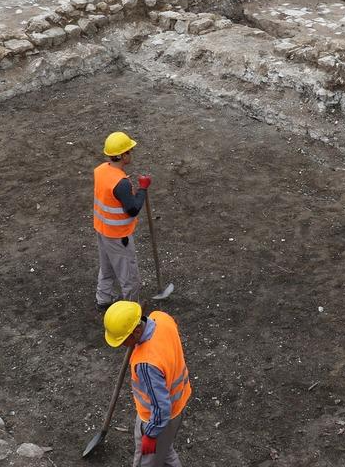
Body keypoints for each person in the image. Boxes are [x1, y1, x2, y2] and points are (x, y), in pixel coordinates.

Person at [103, 301, 192, 467]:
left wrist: (151, 435)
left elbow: (161, 406)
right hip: (178, 405)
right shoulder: (161, 318)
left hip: (158, 420)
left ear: (136, 331)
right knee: (165, 452)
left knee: (146, 462)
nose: (121, 345)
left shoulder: (146, 364)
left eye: (122, 340)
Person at [94, 131, 151, 309]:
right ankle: (132, 312)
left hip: (102, 230)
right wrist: (142, 189)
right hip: (119, 237)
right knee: (130, 277)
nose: (131, 154)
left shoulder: (101, 170)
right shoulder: (121, 183)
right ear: (122, 155)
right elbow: (133, 209)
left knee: (107, 266)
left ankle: (104, 299)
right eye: (129, 151)